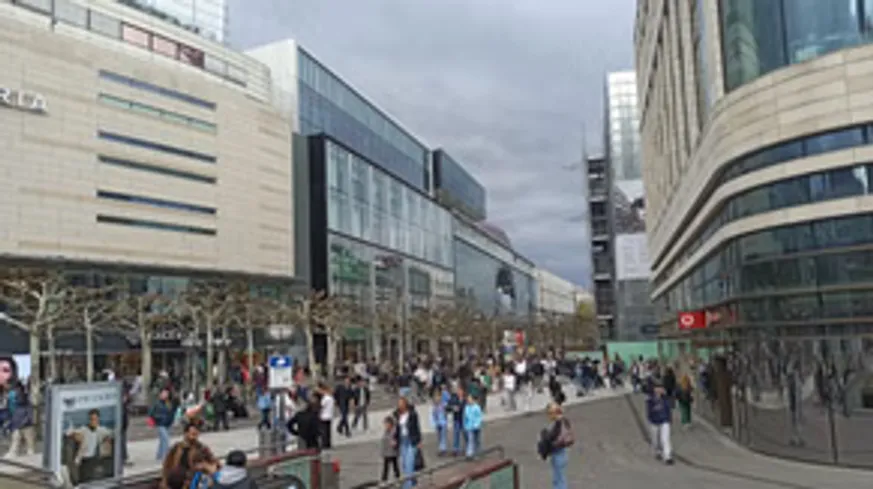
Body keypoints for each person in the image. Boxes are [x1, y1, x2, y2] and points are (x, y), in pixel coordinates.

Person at [161, 423, 216, 489]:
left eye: (196, 434)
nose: (194, 437)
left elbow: (214, 463)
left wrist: (204, 466)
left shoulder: (202, 448)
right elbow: (166, 465)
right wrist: (164, 481)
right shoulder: (177, 447)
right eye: (192, 434)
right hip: (176, 480)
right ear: (185, 433)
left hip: (193, 481)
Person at [537, 402, 573, 489]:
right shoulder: (564, 421)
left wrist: (544, 435)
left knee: (559, 479)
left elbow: (551, 438)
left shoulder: (558, 423)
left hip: (558, 453)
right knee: (559, 478)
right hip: (562, 452)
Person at [393, 396, 422, 489]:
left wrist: (419, 440)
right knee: (405, 463)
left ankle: (407, 486)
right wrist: (394, 439)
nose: (400, 405)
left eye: (401, 403)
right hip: (402, 440)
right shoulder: (398, 415)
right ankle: (412, 481)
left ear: (405, 404)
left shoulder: (412, 414)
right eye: (399, 404)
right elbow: (397, 429)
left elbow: (417, 427)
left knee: (410, 463)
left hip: (411, 440)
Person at [646, 385, 673, 464]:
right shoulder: (650, 399)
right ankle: (657, 451)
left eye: (661, 388)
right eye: (657, 388)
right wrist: (651, 418)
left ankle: (667, 457)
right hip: (654, 421)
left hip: (665, 420)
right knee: (655, 440)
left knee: (665, 439)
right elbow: (649, 411)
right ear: (654, 389)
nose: (659, 390)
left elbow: (669, 409)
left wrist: (669, 419)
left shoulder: (665, 398)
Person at [149, 389, 175, 461]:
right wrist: (159, 418)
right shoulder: (157, 403)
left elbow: (171, 413)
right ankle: (165, 457)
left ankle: (159, 456)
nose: (165, 395)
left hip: (167, 424)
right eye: (163, 393)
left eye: (166, 394)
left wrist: (171, 420)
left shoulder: (168, 403)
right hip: (160, 424)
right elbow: (151, 413)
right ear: (160, 394)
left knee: (162, 441)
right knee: (166, 440)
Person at [447, 386, 465, 457]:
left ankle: (468, 447)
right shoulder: (454, 399)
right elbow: (448, 407)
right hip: (457, 419)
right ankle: (455, 449)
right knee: (456, 434)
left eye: (460, 391)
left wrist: (460, 408)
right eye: (458, 391)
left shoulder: (466, 399)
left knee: (466, 435)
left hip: (464, 420)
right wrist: (452, 408)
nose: (459, 392)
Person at [462, 394, 482, 459]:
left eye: (470, 399)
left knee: (477, 441)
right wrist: (465, 425)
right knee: (471, 440)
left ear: (473, 400)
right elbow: (465, 417)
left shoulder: (477, 407)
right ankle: (469, 453)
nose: (468, 400)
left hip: (476, 427)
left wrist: (477, 424)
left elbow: (479, 417)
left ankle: (477, 452)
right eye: (468, 399)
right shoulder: (467, 408)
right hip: (469, 427)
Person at [380, 416, 400, 482]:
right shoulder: (386, 431)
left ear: (390, 424)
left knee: (395, 466)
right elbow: (384, 442)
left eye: (386, 423)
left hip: (392, 452)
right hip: (387, 453)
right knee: (386, 467)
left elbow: (396, 440)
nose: (385, 425)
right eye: (385, 424)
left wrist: (395, 442)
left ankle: (397, 478)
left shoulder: (394, 431)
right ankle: (384, 480)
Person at [318, 383, 335, 449]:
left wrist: (319, 414)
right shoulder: (331, 398)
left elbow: (321, 407)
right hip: (329, 415)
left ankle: (324, 444)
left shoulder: (325, 398)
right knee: (328, 431)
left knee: (324, 431)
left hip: (324, 416)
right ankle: (328, 443)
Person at [430, 392, 448, 456]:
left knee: (443, 436)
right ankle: (441, 448)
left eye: (438, 397)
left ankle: (443, 449)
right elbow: (433, 415)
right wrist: (434, 422)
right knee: (439, 437)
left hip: (443, 423)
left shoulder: (443, 405)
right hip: (438, 424)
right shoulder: (434, 407)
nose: (437, 399)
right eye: (435, 398)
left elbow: (446, 413)